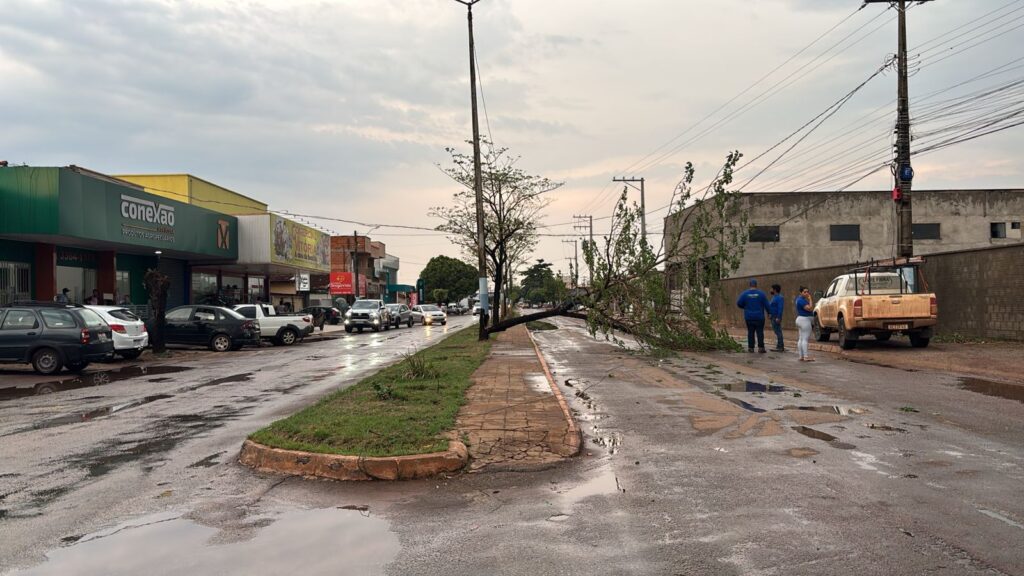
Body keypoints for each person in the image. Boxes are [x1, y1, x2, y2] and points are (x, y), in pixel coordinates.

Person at [736, 279, 770, 353]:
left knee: (750, 332)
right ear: (756, 285)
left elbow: (738, 303)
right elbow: (767, 305)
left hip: (749, 317)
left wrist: (745, 307)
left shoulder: (744, 294)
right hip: (759, 317)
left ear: (750, 285)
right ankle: (761, 348)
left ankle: (751, 348)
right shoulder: (761, 294)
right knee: (760, 332)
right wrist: (769, 313)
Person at [795, 286, 815, 362]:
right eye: (804, 292)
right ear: (800, 292)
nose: (807, 293)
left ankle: (801, 356)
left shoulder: (800, 299)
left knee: (801, 338)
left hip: (801, 320)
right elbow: (809, 308)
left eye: (807, 292)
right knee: (805, 339)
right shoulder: (801, 300)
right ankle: (806, 356)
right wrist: (810, 299)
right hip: (804, 320)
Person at [769, 284, 785, 352]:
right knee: (777, 331)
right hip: (773, 316)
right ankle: (779, 345)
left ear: (774, 290)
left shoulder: (779, 297)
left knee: (778, 331)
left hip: (776, 317)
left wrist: (778, 317)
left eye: (771, 289)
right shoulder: (774, 297)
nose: (770, 290)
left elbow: (780, 308)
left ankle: (780, 346)